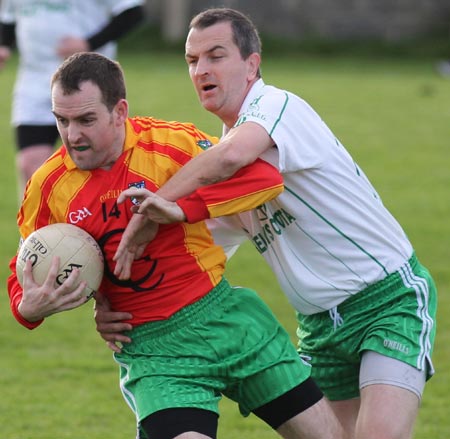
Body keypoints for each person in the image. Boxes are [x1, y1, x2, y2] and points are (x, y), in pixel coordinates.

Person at [101, 8, 438, 439]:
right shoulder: (215, 164)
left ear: (252, 63)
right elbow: (188, 253)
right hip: (319, 327)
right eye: (192, 60)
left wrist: (159, 203)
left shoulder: (275, 107)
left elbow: (231, 158)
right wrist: (108, 303)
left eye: (216, 55)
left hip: (387, 300)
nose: (202, 69)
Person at [7, 52, 345, 439]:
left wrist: (178, 208)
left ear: (119, 112)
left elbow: (264, 179)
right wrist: (26, 308)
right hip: (154, 353)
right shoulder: (49, 185)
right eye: (61, 120)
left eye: (86, 120)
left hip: (227, 320)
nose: (72, 135)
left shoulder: (172, 145)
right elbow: (26, 263)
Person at [0, 0, 145, 197]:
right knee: (30, 165)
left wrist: (89, 43)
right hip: (33, 83)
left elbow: (133, 12)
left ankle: (100, 221)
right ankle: (43, 226)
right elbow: (8, 17)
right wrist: (4, 45)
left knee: (100, 164)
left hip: (89, 84)